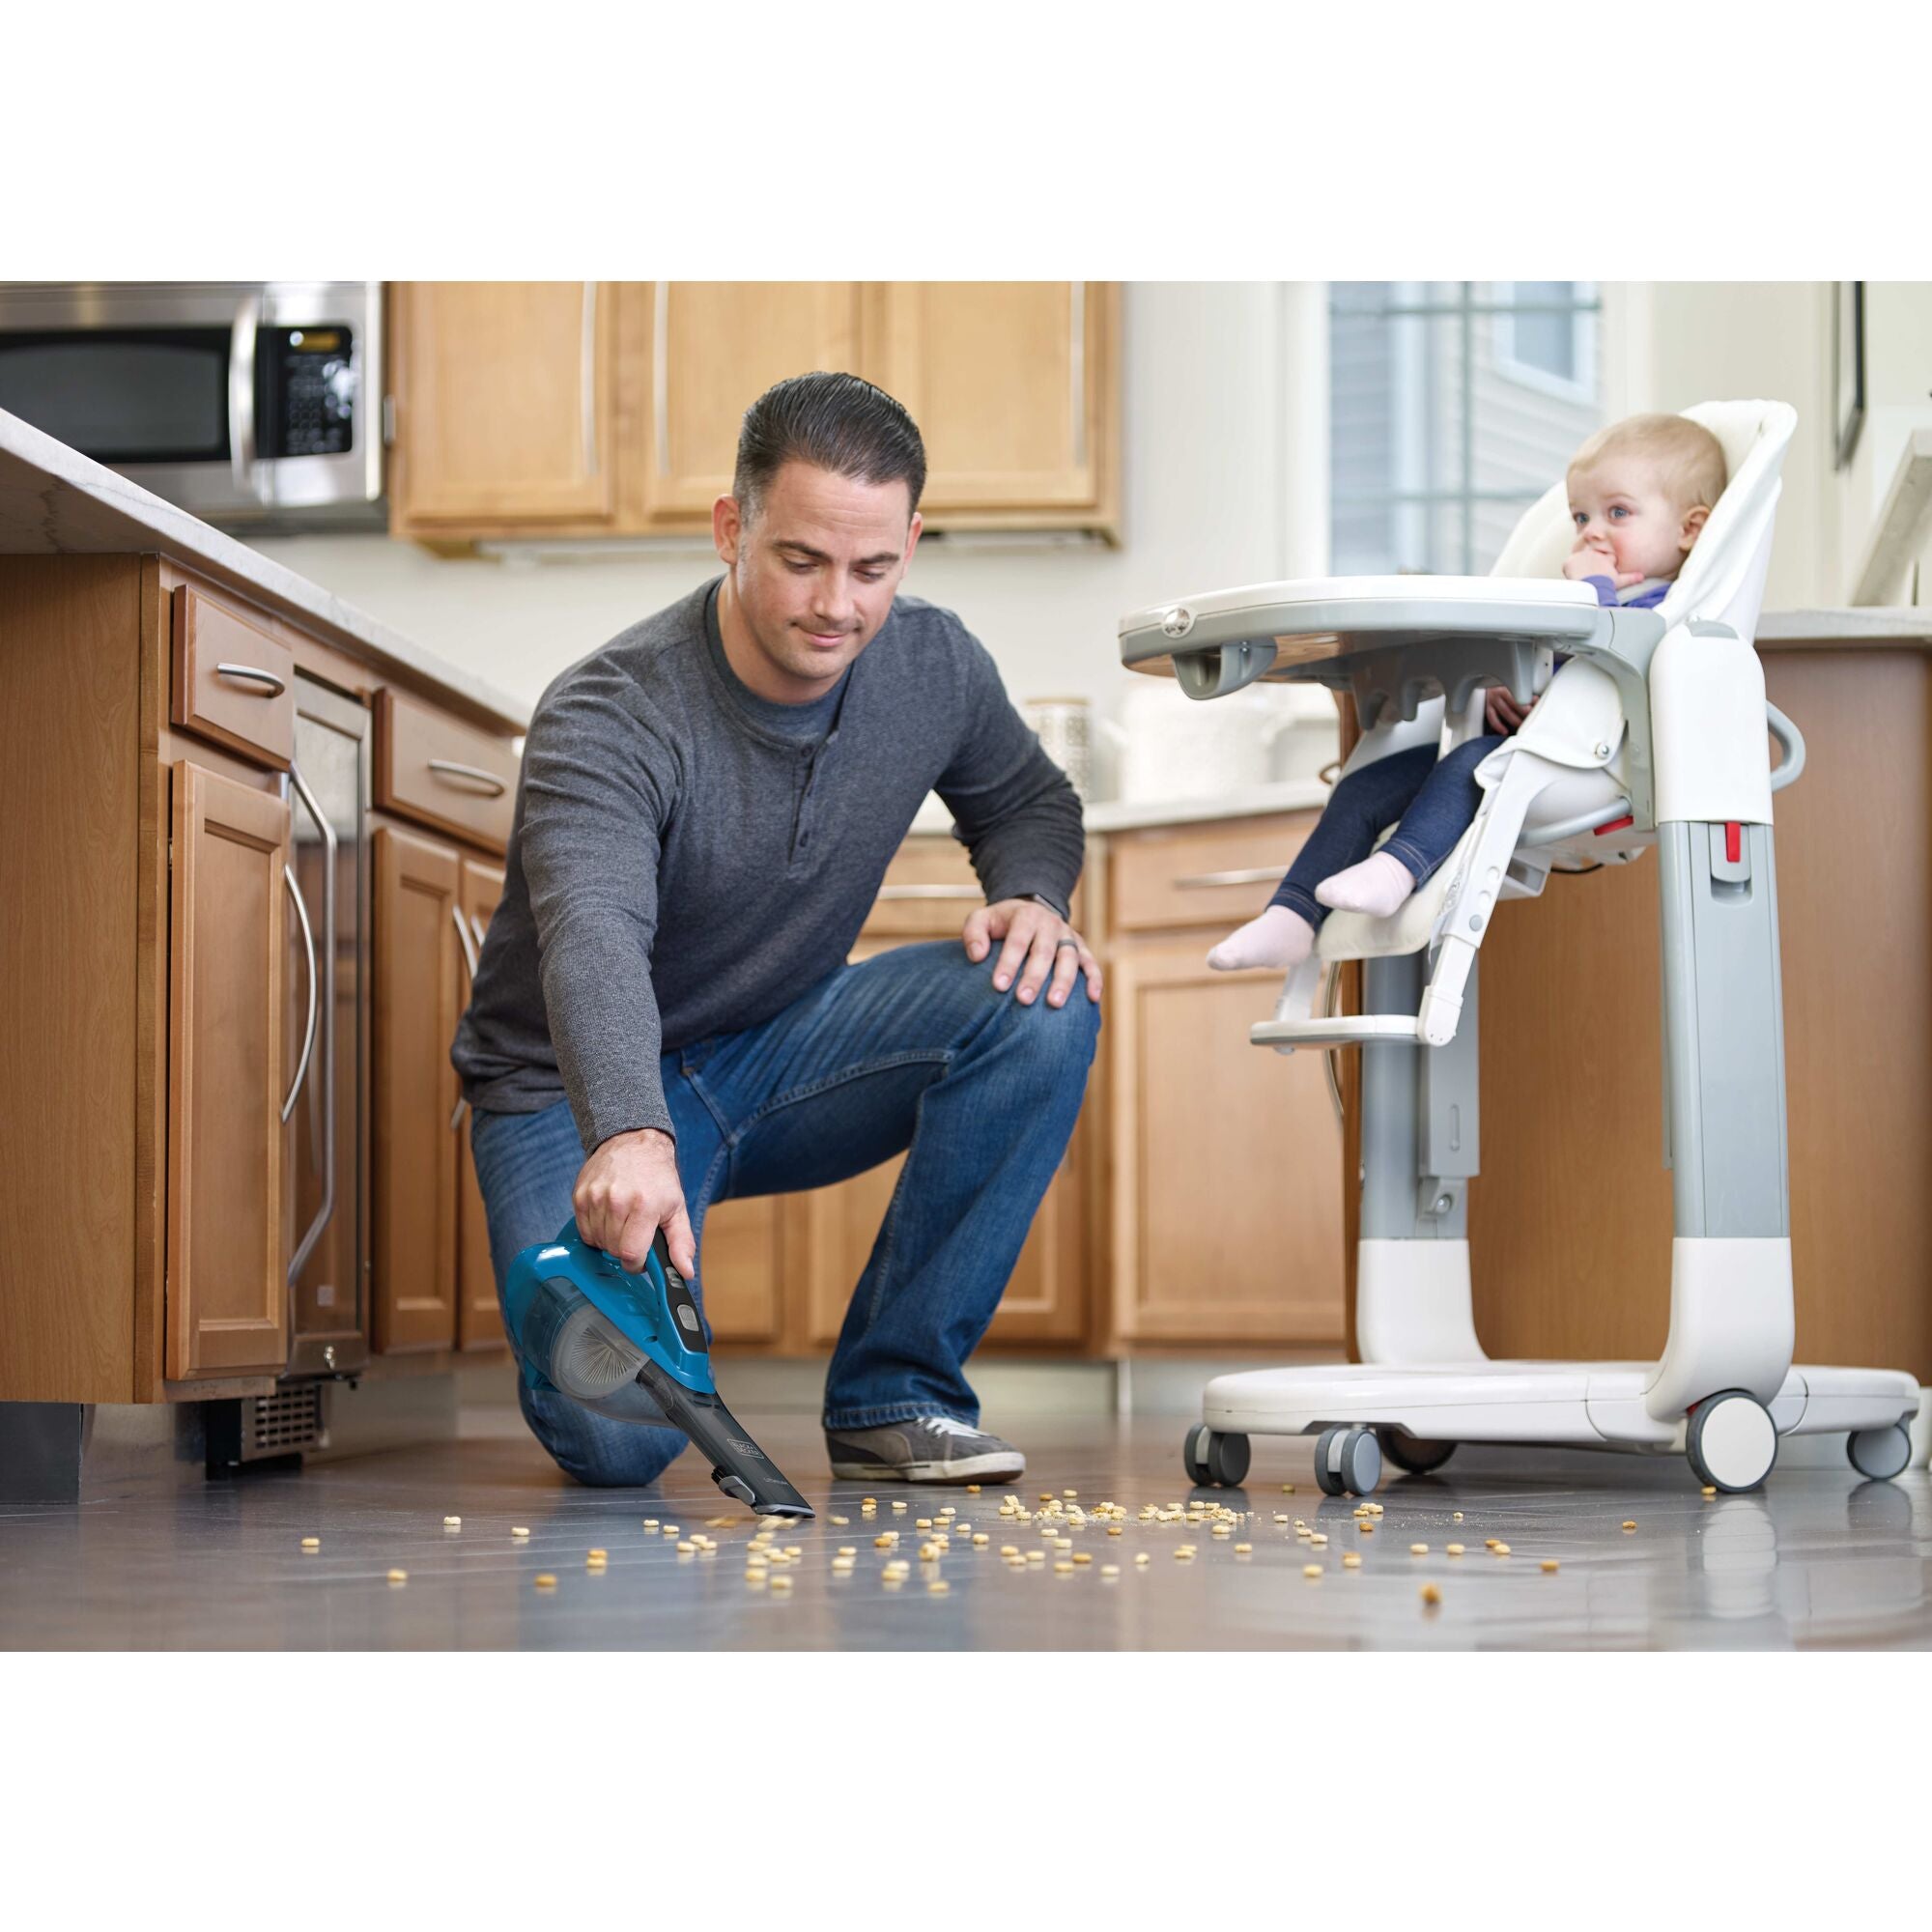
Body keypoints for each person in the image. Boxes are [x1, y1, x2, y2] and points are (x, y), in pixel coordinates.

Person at [451, 371, 1102, 1488]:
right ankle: (621, 1279)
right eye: (800, 559)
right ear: (730, 528)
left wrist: (1035, 897)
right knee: (620, 1438)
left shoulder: (931, 664)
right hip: (571, 1091)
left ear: (910, 546)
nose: (835, 605)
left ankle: (895, 1395)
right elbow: (594, 931)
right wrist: (628, 1129)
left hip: (772, 1054)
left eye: (872, 568)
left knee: (1041, 997)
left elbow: (1030, 802)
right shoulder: (610, 710)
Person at [1207, 412, 1727, 972]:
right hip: (1520, 746)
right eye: (1581, 516)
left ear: (1690, 528)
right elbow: (1543, 660)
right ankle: (1291, 914)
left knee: (1472, 767)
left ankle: (1397, 869)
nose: (1592, 532)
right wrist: (1495, 688)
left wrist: (1590, 591)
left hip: (1583, 769)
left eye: (1617, 513)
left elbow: (1610, 649)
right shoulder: (1592, 593)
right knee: (1366, 788)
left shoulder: (1663, 608)